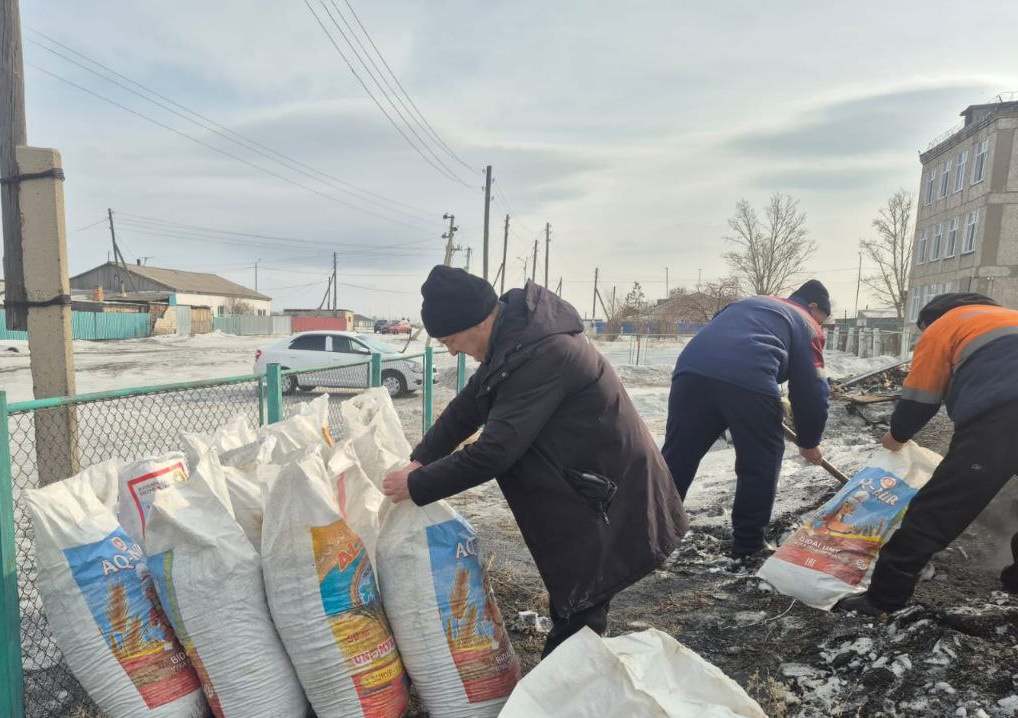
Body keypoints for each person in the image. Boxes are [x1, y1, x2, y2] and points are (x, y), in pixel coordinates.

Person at [380, 265, 687, 657]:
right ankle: (568, 688)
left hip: (605, 487)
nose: (452, 350)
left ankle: (563, 698)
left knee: (584, 597)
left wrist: (417, 485)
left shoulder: (544, 354)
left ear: (478, 321)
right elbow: (467, 408)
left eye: (451, 339)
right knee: (578, 594)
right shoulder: (513, 344)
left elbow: (495, 451)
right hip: (583, 482)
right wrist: (420, 460)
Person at [836, 292, 1018, 615]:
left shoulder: (944, 326)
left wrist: (897, 435)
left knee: (941, 506)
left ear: (929, 321)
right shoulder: (1007, 318)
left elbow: (919, 398)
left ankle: (882, 599)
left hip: (1003, 415)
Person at [660, 280, 832, 562]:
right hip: (749, 376)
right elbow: (811, 388)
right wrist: (810, 440)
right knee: (761, 460)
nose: (821, 326)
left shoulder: (750, 303)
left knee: (678, 456)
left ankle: (649, 533)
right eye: (822, 320)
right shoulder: (806, 321)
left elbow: (721, 337)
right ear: (813, 306)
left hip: (690, 370)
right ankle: (749, 546)